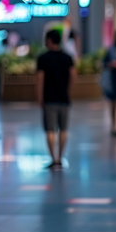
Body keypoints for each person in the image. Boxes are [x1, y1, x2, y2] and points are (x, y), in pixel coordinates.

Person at [36, 29, 76, 169]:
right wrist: (68, 93)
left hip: (49, 99)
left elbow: (40, 79)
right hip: (64, 98)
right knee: (63, 129)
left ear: (48, 40)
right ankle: (60, 157)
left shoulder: (43, 58)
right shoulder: (67, 58)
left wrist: (40, 97)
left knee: (50, 130)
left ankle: (53, 158)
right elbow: (72, 76)